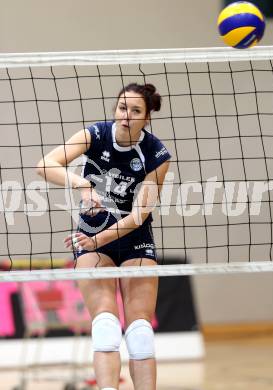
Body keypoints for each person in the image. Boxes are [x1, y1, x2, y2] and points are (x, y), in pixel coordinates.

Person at [36, 83, 171, 390]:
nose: (126, 116)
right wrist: (81, 185)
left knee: (139, 332)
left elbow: (139, 215)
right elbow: (45, 164)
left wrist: (98, 241)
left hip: (133, 237)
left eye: (135, 111)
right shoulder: (95, 135)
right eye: (122, 108)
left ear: (147, 118)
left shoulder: (156, 153)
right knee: (106, 327)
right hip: (92, 235)